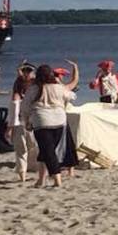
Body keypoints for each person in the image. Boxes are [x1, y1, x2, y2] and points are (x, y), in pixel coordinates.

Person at [25, 60, 80, 188]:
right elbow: (73, 87)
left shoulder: (33, 89)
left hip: (41, 122)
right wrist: (75, 69)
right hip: (59, 121)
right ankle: (41, 180)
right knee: (45, 151)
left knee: (48, 152)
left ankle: (57, 180)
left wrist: (26, 121)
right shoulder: (58, 87)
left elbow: (25, 107)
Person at [6, 63, 38, 182]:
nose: (27, 75)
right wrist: (9, 128)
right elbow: (13, 114)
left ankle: (24, 174)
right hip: (25, 124)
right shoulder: (34, 91)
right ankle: (24, 174)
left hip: (27, 124)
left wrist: (9, 128)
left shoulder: (23, 92)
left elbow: (13, 114)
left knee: (25, 151)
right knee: (27, 150)